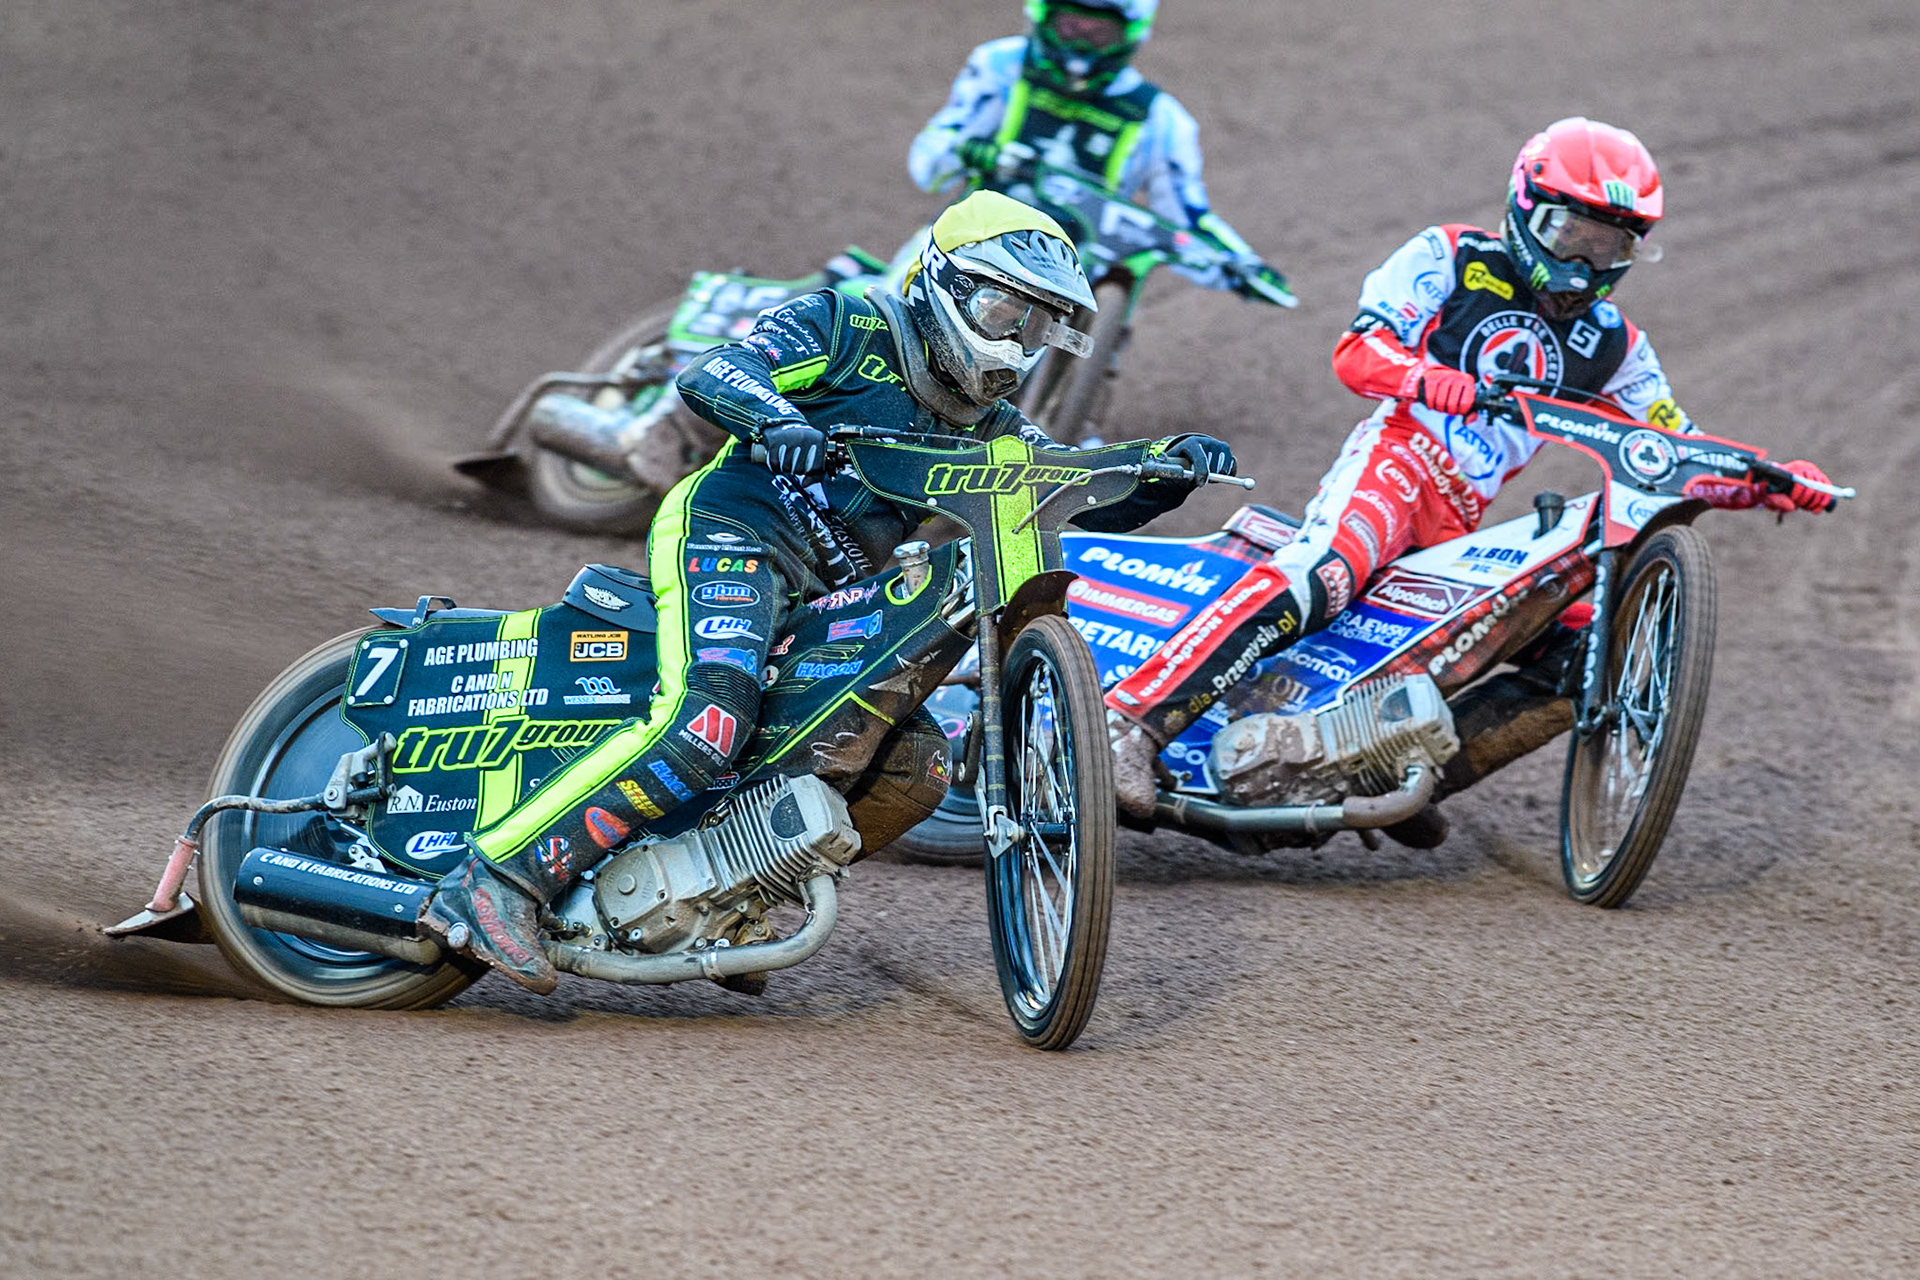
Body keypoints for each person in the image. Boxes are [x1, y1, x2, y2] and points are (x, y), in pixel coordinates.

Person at [420, 191, 1236, 990]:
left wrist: (1157, 477)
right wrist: (776, 421)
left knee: (913, 765)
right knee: (709, 719)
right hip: (734, 533)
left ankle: (728, 892)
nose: (1015, 341)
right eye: (1000, 310)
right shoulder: (849, 326)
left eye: (1036, 325)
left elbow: (1055, 488)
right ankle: (497, 881)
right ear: (944, 284)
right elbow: (717, 369)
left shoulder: (990, 428)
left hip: (826, 587)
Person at [1102, 116, 1838, 818]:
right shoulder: (1450, 257)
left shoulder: (1619, 346)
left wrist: (1765, 477)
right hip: (1396, 462)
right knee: (1325, 571)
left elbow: (1672, 444)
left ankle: (1384, 773)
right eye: (1569, 234)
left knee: (1589, 650)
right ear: (1525, 208)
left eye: (1609, 247)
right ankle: (1133, 726)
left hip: (1461, 520)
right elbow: (1358, 352)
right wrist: (1431, 382)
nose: (1584, 265)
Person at [907, 0, 1285, 299]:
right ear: (1044, 17)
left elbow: (1186, 216)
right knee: (898, 298)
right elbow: (928, 163)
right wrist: (973, 153)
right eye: (1070, 27)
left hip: (1073, 267)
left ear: (1130, 34)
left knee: (1103, 324)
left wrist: (1241, 264)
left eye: (1099, 33)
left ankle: (1080, 378)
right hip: (966, 235)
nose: (1079, 48)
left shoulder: (1160, 118)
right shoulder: (1001, 65)